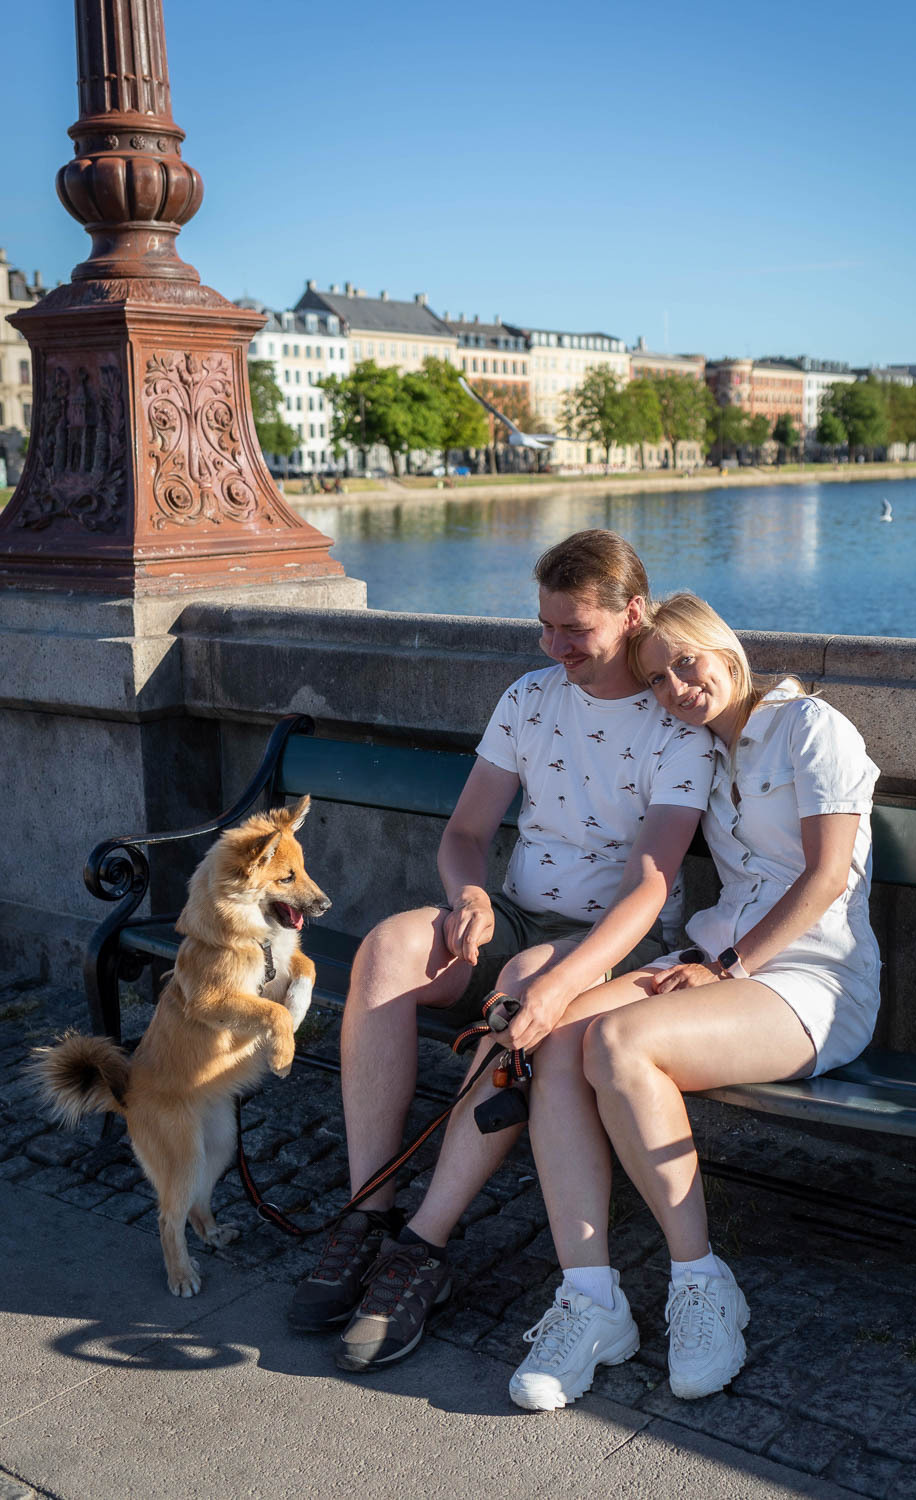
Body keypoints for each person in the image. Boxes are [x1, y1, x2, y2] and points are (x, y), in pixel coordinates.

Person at [288, 534, 716, 1373]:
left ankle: (422, 1248)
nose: (556, 646)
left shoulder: (676, 724)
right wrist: (469, 897)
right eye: (544, 626)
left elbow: (648, 887)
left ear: (631, 614)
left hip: (614, 941)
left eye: (575, 629)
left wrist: (560, 982)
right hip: (516, 912)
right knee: (385, 949)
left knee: (524, 985)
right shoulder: (528, 697)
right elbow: (465, 834)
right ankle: (368, 1210)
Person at [510, 592, 881, 1411]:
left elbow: (826, 876)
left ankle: (701, 1284)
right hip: (714, 962)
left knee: (619, 1045)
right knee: (557, 1037)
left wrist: (731, 965)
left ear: (724, 649)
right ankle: (591, 1300)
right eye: (657, 678)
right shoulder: (704, 752)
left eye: (686, 663)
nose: (676, 687)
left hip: (812, 982)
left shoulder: (810, 727)